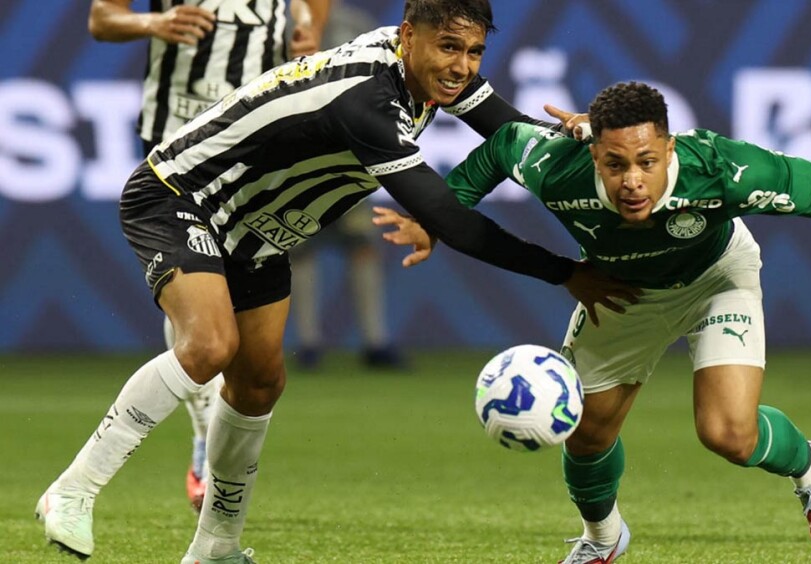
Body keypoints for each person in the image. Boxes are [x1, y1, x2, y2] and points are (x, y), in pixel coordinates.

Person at [35, 1, 638, 562]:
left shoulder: (427, 74)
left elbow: (509, 133)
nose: (462, 66)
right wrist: (566, 273)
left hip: (259, 231)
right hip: (181, 195)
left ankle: (216, 546)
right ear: (408, 36)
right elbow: (450, 221)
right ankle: (73, 491)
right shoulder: (366, 100)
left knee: (260, 383)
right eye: (449, 48)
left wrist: (585, 138)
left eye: (475, 51)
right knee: (210, 345)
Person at [374, 81, 811, 564]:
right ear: (594, 155)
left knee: (728, 434)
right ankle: (603, 539)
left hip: (717, 278)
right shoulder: (556, 165)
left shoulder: (719, 169)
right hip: (622, 292)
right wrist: (438, 216)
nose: (632, 181)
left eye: (647, 161)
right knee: (585, 432)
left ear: (670, 148)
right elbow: (500, 147)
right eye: (615, 164)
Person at [74, 0, 329, 520]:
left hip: (257, 137)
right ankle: (203, 427)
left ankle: (211, 435)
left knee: (240, 311)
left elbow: (310, 10)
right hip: (177, 137)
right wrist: (154, 22)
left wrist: (309, 32)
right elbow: (102, 18)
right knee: (196, 290)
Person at [289, 0, 406, 371]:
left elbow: (380, 86)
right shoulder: (283, 26)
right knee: (298, 249)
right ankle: (308, 343)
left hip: (347, 160)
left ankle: (375, 342)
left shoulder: (357, 25)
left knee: (363, 245)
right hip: (296, 161)